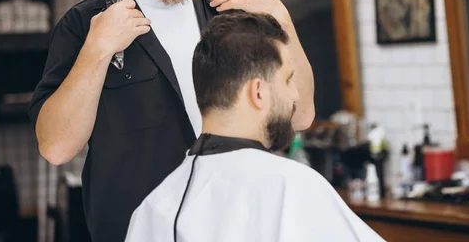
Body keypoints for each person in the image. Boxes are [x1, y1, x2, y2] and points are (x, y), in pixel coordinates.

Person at [28, 0, 315, 242]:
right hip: (138, 232)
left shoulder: (227, 9)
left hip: (236, 225)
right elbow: (56, 147)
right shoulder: (85, 25)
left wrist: (282, 19)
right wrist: (97, 52)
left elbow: (302, 114)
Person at [124, 12, 384, 242]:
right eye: (288, 79)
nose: (295, 95)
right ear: (258, 92)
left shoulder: (154, 209)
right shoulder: (291, 187)